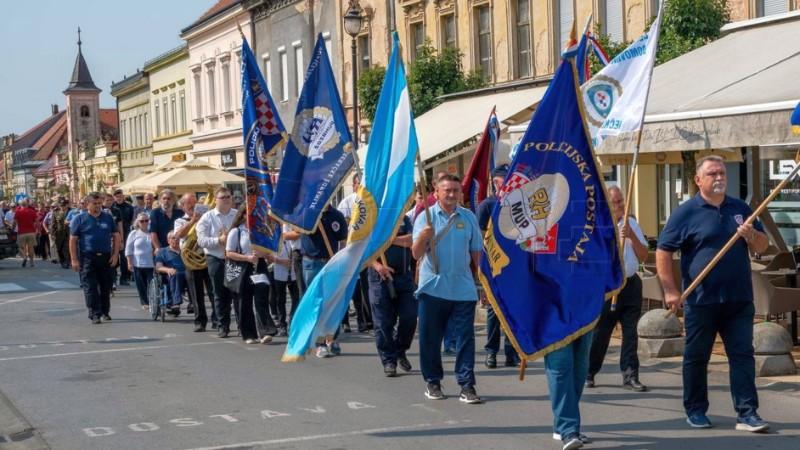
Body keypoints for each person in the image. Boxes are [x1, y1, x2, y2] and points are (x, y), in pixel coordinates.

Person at [657, 155, 770, 432]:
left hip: (738, 298)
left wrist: (750, 236)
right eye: (712, 174)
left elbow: (763, 246)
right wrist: (671, 290)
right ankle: (695, 410)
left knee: (742, 355)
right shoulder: (685, 212)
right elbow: (663, 251)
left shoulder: (741, 208)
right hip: (701, 299)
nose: (719, 178)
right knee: (697, 357)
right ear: (698, 180)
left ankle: (747, 413)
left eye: (722, 173)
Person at [411, 174, 483, 404]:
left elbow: (476, 252)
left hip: (462, 288)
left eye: (455, 190)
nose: (452, 194)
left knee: (465, 338)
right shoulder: (426, 217)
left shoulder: (469, 217)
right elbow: (416, 253)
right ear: (437, 193)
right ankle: (433, 381)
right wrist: (424, 236)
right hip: (433, 287)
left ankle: (467, 384)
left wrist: (482, 282)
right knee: (430, 338)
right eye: (447, 190)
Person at [587, 185, 648, 392]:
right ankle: (589, 371)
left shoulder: (631, 223)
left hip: (631, 285)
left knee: (631, 333)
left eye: (621, 201)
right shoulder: (597, 225)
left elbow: (643, 255)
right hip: (608, 286)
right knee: (601, 333)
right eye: (615, 202)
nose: (620, 205)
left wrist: (631, 235)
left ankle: (630, 375)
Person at [283, 204, 348, 357]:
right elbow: (296, 231)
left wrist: (342, 259)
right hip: (311, 263)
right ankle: (319, 343)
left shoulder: (336, 215)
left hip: (332, 263)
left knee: (333, 301)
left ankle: (332, 338)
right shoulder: (307, 214)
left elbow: (343, 240)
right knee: (316, 302)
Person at [475, 166, 520, 369]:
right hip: (494, 264)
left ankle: (512, 352)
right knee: (494, 311)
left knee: (513, 310)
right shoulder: (487, 205)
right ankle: (491, 351)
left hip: (515, 266)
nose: (501, 184)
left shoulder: (517, 202)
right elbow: (477, 240)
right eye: (499, 181)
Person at [368, 213, 417, 377]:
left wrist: (387, 240)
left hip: (403, 276)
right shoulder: (372, 218)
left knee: (410, 316)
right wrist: (377, 266)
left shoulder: (404, 218)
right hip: (379, 276)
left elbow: (411, 240)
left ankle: (400, 349)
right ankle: (389, 360)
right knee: (382, 322)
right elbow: (362, 247)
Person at [224, 208, 277, 344]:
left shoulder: (261, 230)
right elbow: (229, 253)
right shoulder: (237, 231)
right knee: (244, 302)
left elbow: (268, 251)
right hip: (244, 267)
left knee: (261, 298)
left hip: (259, 266)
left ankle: (265, 331)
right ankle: (249, 334)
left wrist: (264, 254)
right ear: (242, 215)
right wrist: (247, 257)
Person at [69, 192, 120, 324]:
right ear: (87, 205)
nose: (98, 206)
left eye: (99, 203)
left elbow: (116, 236)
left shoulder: (107, 218)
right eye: (95, 204)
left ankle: (105, 311)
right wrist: (74, 259)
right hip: (87, 257)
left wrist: (115, 255)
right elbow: (73, 240)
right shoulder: (79, 219)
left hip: (105, 256)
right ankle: (94, 313)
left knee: (105, 286)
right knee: (90, 287)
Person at [196, 187, 238, 338]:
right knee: (220, 294)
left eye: (228, 196)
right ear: (216, 200)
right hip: (216, 258)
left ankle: (240, 324)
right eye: (223, 197)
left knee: (236, 292)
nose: (227, 199)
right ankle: (223, 325)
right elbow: (201, 240)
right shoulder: (207, 217)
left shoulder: (237, 215)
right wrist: (218, 240)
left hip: (234, 258)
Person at [174, 193, 217, 332]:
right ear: (183, 206)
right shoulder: (180, 221)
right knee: (196, 292)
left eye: (194, 203)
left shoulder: (206, 218)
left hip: (208, 257)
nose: (193, 206)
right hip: (191, 261)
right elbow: (179, 235)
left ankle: (217, 319)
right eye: (189, 204)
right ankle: (200, 321)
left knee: (213, 291)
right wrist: (193, 221)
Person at [337, 173, 373, 333]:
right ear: (354, 185)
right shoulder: (346, 203)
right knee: (346, 288)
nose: (362, 187)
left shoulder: (371, 202)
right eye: (359, 184)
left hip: (364, 252)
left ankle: (364, 319)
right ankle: (344, 321)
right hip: (348, 252)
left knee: (363, 288)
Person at [271, 225, 301, 336]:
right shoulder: (275, 233)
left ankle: (292, 320)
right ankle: (282, 325)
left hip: (293, 268)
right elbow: (269, 255)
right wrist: (281, 261)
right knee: (280, 299)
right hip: (280, 268)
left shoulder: (292, 229)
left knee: (296, 297)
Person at [126, 213, 155, 309]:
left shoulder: (152, 233)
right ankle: (144, 302)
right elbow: (129, 249)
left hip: (151, 264)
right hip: (137, 263)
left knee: (152, 284)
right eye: (142, 221)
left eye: (146, 220)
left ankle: (153, 300)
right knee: (140, 284)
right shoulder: (134, 233)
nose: (144, 223)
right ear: (138, 222)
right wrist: (129, 262)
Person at [155, 231, 188, 316]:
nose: (176, 240)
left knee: (193, 275)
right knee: (175, 274)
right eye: (173, 238)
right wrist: (168, 270)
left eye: (178, 238)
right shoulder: (162, 251)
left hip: (186, 274)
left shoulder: (185, 250)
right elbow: (158, 267)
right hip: (170, 275)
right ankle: (175, 303)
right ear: (168, 240)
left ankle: (193, 303)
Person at [113, 188, 135, 285]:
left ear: (123, 196)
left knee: (124, 256)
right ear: (114, 197)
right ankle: (113, 277)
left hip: (125, 233)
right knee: (114, 256)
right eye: (117, 197)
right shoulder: (112, 207)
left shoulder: (129, 207)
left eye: (120, 196)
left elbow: (132, 220)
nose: (119, 198)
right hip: (113, 234)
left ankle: (124, 277)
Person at [13, 199, 38, 268]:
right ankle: (32, 263)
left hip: (21, 232)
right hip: (31, 232)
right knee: (31, 248)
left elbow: (14, 222)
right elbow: (37, 221)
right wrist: (38, 229)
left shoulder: (18, 212)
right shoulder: (32, 211)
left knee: (20, 247)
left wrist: (12, 229)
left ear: (21, 204)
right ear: (27, 204)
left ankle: (24, 256)